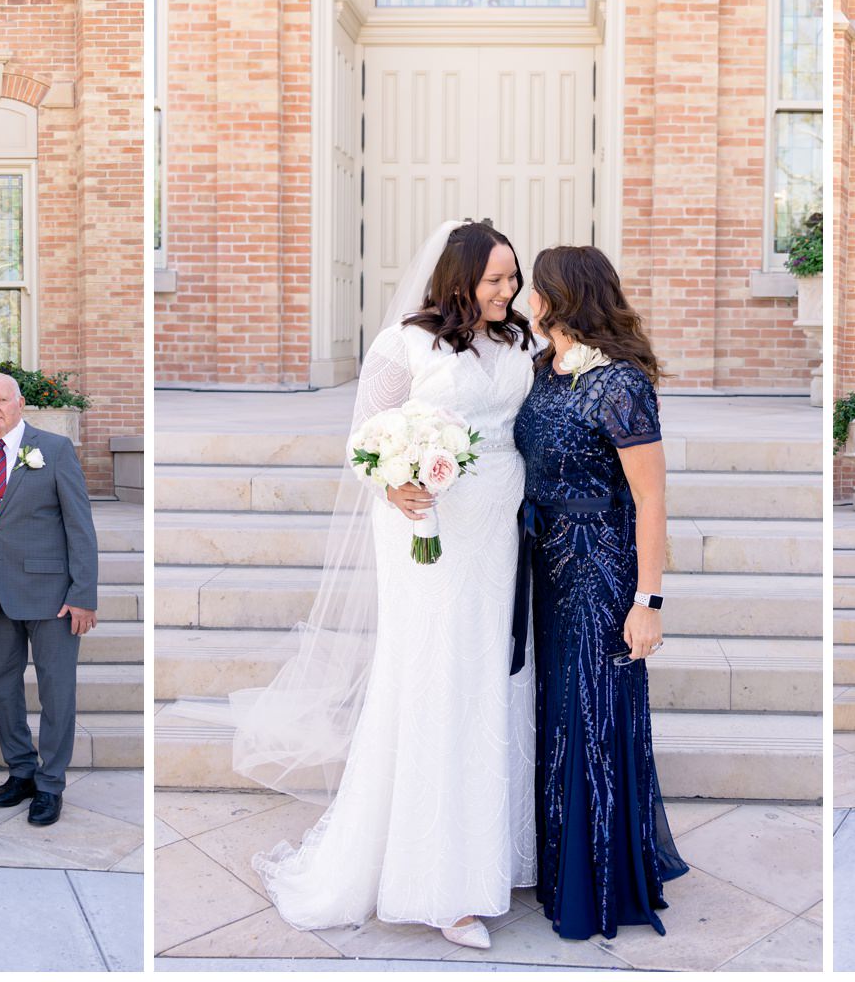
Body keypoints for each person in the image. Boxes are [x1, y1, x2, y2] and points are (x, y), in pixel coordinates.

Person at [186, 219, 535, 951]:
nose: (510, 289)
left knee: (487, 679)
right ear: (459, 279)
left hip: (498, 526)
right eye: (497, 278)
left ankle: (490, 856)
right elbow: (365, 440)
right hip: (426, 526)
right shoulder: (405, 344)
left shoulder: (517, 340)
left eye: (514, 277)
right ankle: (440, 885)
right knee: (435, 681)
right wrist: (395, 484)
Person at [515, 244, 688, 940]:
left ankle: (600, 884)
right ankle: (558, 864)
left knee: (592, 717)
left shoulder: (620, 383)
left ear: (564, 297)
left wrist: (648, 602)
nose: (528, 301)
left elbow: (650, 499)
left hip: (597, 568)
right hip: (540, 566)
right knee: (556, 715)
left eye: (536, 289)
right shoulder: (540, 369)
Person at [0, 372, 99, 826]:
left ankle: (51, 782)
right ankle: (21, 771)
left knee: (56, 690)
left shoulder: (55, 449)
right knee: (4, 689)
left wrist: (83, 594)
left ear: (21, 403)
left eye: (2, 400)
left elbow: (80, 525)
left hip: (52, 596)